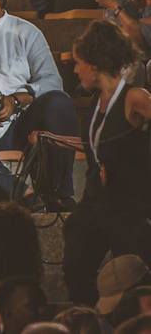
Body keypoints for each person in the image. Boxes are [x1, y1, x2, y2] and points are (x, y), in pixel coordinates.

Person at [63, 21, 151, 305]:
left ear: (96, 62)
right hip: (96, 203)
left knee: (137, 278)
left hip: (128, 206)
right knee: (76, 267)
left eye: (79, 63)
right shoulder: (95, 101)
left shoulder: (134, 97)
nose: (76, 70)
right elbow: (99, 148)